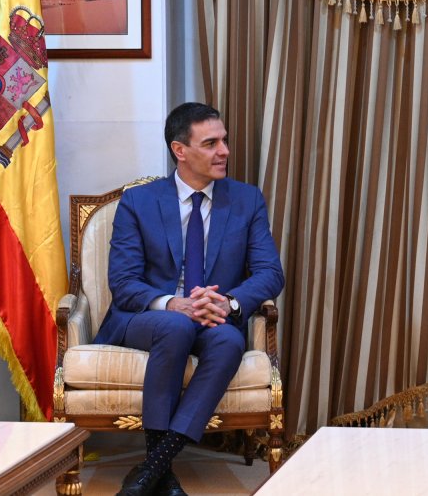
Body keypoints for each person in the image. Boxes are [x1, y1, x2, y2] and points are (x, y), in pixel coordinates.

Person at [93, 102, 285, 496]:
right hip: (150, 318)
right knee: (177, 324)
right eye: (211, 143)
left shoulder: (246, 200)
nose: (225, 151)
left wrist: (229, 303)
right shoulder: (139, 202)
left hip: (214, 316)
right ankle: (159, 468)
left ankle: (154, 468)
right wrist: (171, 302)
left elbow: (270, 273)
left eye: (224, 141)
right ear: (180, 151)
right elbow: (124, 283)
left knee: (231, 340)